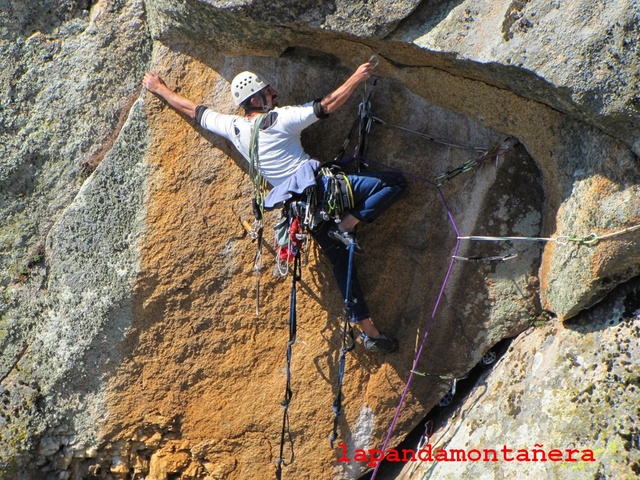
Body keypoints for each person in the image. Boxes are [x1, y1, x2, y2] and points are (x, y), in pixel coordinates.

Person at [142, 60, 406, 353]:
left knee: (343, 263)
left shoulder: (235, 128)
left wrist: (160, 89)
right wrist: (357, 77)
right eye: (269, 91)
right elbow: (326, 105)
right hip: (326, 190)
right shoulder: (280, 119)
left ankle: (369, 331)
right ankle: (346, 226)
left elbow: (194, 110)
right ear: (256, 99)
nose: (276, 92)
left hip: (302, 211)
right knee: (393, 183)